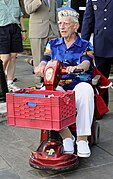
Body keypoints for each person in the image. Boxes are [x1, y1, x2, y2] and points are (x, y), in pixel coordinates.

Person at [35, 7, 95, 157]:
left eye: (66, 24)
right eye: (60, 23)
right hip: (58, 84)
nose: (61, 26)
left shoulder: (85, 45)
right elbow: (45, 59)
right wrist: (40, 67)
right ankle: (67, 136)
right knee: (46, 95)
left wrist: (78, 68)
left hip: (78, 83)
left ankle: (82, 139)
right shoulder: (53, 44)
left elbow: (87, 62)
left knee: (86, 91)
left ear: (76, 26)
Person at [81, 0, 113, 106]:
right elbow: (88, 19)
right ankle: (102, 106)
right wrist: (83, 43)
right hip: (101, 43)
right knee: (100, 78)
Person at [24, 0, 59, 85]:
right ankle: (39, 83)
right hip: (38, 30)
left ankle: (53, 81)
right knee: (38, 59)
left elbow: (54, 11)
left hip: (53, 30)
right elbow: (28, 9)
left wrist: (58, 28)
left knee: (55, 58)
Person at [0, 0, 27, 92]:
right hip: (2, 29)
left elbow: (20, 16)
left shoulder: (15, 1)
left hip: (15, 29)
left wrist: (23, 31)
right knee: (5, 58)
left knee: (13, 57)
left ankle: (10, 82)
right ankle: (1, 82)